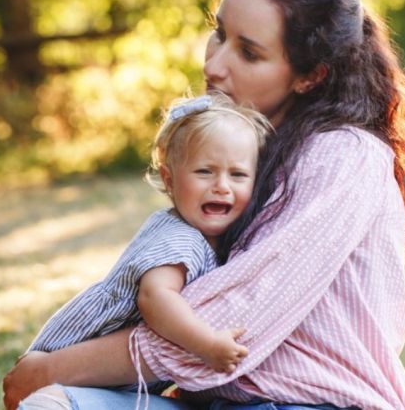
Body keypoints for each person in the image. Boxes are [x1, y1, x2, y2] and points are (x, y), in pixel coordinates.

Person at [3, 0, 405, 410]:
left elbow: (233, 323)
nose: (214, 65)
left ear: (310, 76)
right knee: (53, 405)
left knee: (46, 390)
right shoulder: (250, 149)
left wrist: (50, 368)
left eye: (248, 52)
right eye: (219, 34)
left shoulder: (344, 155)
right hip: (217, 404)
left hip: (310, 406)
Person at [19, 93, 271, 407]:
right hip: (75, 360)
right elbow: (155, 299)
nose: (222, 185)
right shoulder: (181, 239)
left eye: (238, 175)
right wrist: (207, 344)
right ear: (169, 180)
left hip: (113, 379)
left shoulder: (210, 239)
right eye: (205, 171)